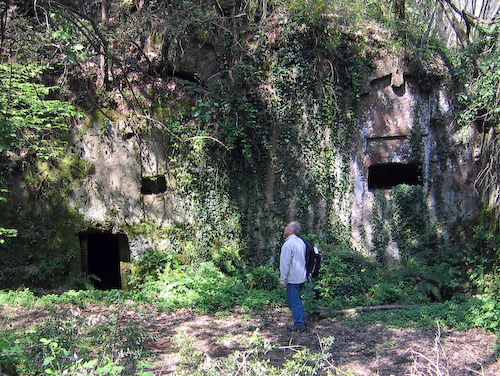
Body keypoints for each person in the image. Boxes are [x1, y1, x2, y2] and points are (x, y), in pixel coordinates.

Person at [279, 221, 307, 332]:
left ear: (291, 230)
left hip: (293, 278)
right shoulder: (301, 242)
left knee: (293, 301)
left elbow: (285, 263)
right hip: (301, 275)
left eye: (286, 226)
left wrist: (283, 279)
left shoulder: (288, 244)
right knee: (297, 299)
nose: (285, 228)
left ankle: (299, 323)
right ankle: (302, 318)